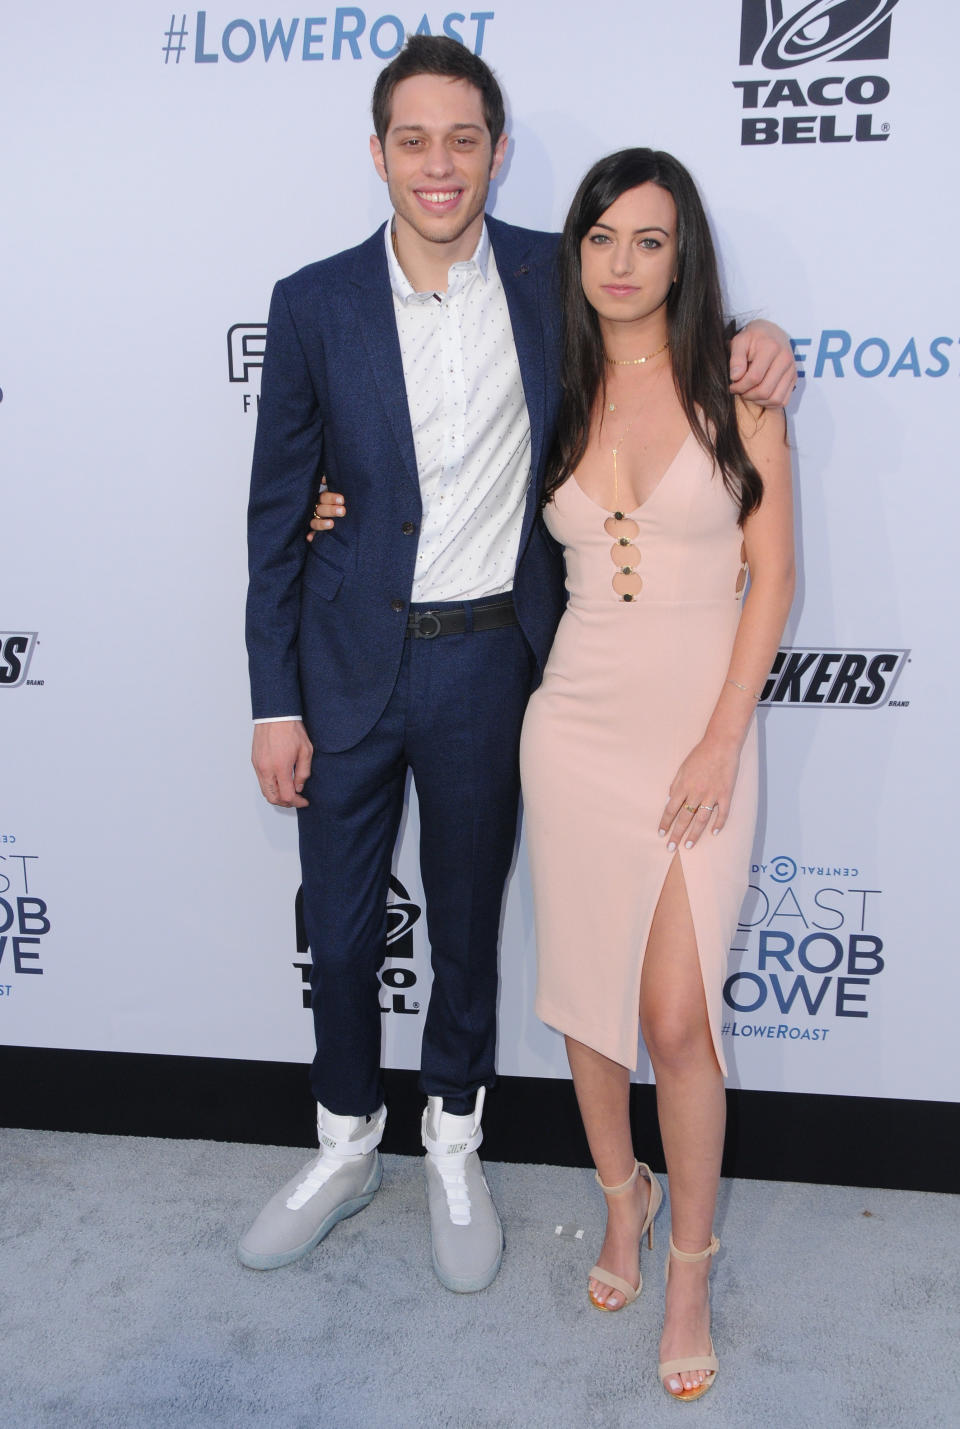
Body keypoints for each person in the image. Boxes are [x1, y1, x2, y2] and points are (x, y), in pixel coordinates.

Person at [243, 35, 796, 1295]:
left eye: (464, 140)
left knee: (470, 921)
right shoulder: (311, 301)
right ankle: (340, 1147)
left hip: (501, 659)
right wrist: (272, 694)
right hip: (341, 663)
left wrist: (765, 333)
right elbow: (278, 513)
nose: (439, 166)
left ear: (496, 152)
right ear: (377, 152)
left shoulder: (561, 274)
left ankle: (454, 1141)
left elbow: (675, 299)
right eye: (413, 140)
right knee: (336, 926)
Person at [518, 149, 795, 1399]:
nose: (621, 262)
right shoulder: (555, 381)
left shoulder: (739, 385)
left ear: (684, 258)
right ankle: (619, 1202)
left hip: (699, 725)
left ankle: (689, 1259)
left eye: (649, 239)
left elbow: (773, 576)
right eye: (600, 237)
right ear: (575, 252)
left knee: (677, 1017)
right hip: (572, 722)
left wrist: (722, 735)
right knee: (591, 999)